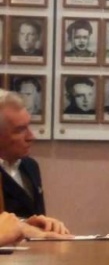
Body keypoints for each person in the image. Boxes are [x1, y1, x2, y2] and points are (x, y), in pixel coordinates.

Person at [0, 90, 70, 234]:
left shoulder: (30, 166)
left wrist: (46, 225)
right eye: (20, 130)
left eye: (28, 126)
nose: (31, 136)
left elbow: (37, 219)